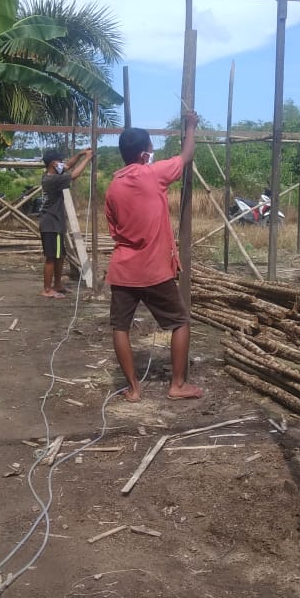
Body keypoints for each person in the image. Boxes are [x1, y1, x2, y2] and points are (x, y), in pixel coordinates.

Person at [105, 112, 204, 402]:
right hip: (154, 270)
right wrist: (190, 126)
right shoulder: (155, 173)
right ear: (144, 153)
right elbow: (186, 154)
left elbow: (114, 230)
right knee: (180, 321)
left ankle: (134, 388)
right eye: (150, 148)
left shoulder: (112, 188)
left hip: (123, 269)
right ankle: (177, 385)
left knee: (120, 327)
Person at [39, 147, 93, 298]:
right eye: (60, 161)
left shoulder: (52, 173)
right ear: (53, 163)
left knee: (60, 255)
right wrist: (87, 159)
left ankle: (57, 284)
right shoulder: (53, 179)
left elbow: (68, 166)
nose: (63, 164)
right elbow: (73, 175)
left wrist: (80, 154)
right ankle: (47, 289)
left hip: (55, 223)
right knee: (51, 257)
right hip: (51, 224)